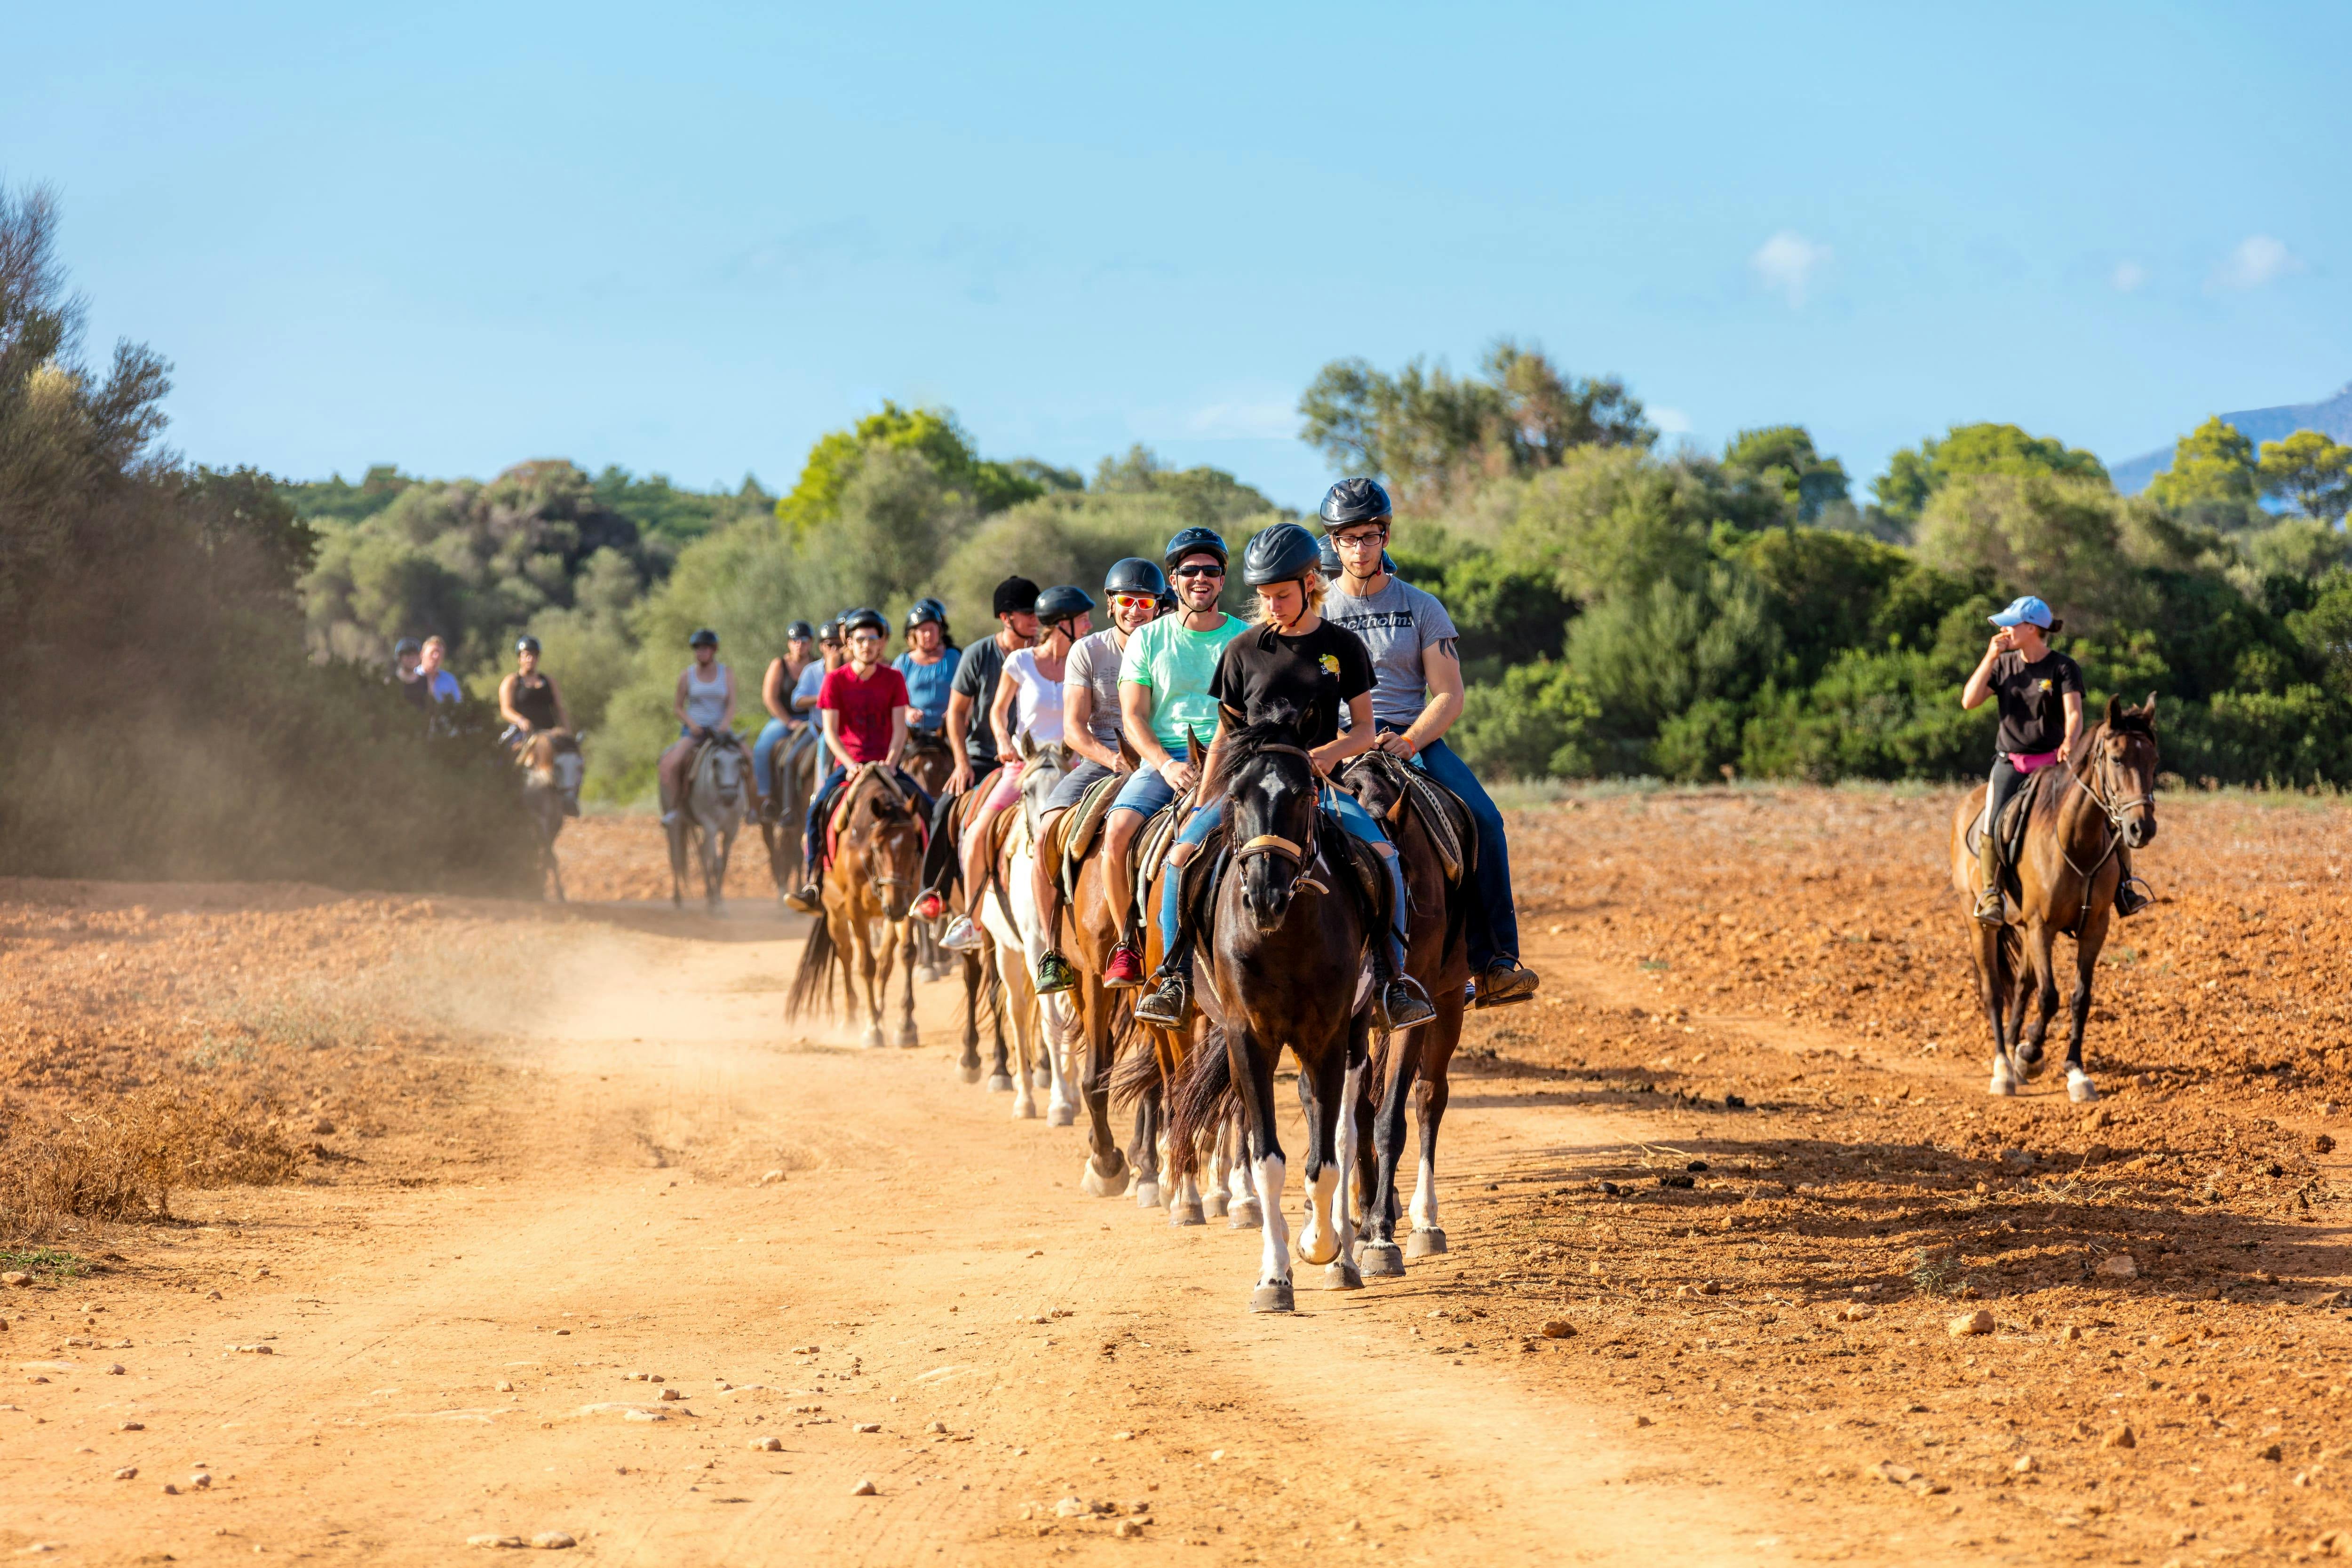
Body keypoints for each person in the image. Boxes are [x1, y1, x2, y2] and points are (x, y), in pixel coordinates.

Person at [1130, 522, 1435, 1034]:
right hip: (1245, 787)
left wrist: (1318, 759)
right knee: (1180, 855)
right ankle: (1173, 976)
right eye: (1264, 597)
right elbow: (1226, 736)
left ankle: (1391, 979)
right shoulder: (1242, 650)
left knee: (1384, 856)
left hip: (1319, 786)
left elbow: (1363, 729)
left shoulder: (1342, 647)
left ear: (1310, 583)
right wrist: (1205, 799)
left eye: (1281, 595)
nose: (1271, 605)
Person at [1317, 479, 1542, 1008]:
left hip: (1408, 742)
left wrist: (1413, 740)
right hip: (1336, 745)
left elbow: (1448, 694)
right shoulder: (1316, 611)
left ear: (1385, 535)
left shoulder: (1421, 607)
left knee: (1485, 819)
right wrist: (1333, 744)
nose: (1358, 548)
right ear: (1332, 543)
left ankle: (1493, 961)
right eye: (1346, 538)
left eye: (1369, 536)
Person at [1097, 527, 1249, 983]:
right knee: (1118, 831)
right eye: (1189, 571)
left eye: (1210, 571)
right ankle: (1129, 944)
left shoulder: (1247, 638)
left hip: (1234, 757)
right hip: (1166, 758)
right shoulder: (1148, 639)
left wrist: (1223, 759)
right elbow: (1134, 717)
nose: (1200, 578)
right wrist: (1165, 763)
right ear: (1173, 580)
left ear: (1223, 580)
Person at [1960, 595, 2149, 923]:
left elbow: (2074, 713)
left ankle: (2125, 888)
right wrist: (1991, 655)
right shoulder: (2002, 666)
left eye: (2010, 623)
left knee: (2107, 818)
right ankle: (1992, 895)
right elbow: (1969, 701)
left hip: (2055, 764)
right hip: (2011, 765)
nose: (2004, 629)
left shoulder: (2063, 667)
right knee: (1992, 822)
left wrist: (2069, 742)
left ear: (2031, 628)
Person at [1032, 559, 1166, 993]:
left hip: (1162, 756)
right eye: (1127, 601)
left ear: (1159, 606)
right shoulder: (1088, 651)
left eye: (1145, 602)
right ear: (1111, 605)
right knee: (1046, 830)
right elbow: (1073, 729)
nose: (1136, 610)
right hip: (1101, 758)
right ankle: (1053, 949)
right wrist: (1112, 761)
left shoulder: (1172, 644)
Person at [938, 585, 1093, 952]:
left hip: (1075, 765)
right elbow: (997, 710)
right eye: (1083, 619)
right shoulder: (1020, 662)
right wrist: (1004, 741)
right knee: (977, 832)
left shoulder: (1085, 659)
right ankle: (973, 922)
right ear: (1062, 624)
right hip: (1027, 765)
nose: (1089, 625)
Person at [783, 608, 933, 913]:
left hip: (886, 765)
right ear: (848, 644)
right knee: (816, 811)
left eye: (873, 639)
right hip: (850, 766)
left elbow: (899, 728)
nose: (867, 645)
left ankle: (931, 888)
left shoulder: (893, 679)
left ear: (881, 644)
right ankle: (814, 883)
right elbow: (831, 733)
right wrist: (850, 766)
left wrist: (891, 762)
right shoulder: (835, 681)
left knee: (931, 808)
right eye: (860, 639)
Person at [914, 578, 1039, 920]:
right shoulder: (979, 654)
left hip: (1038, 760)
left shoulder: (1045, 650)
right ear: (1005, 617)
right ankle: (933, 892)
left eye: (1037, 612)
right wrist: (961, 762)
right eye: (1027, 613)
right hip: (984, 757)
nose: (1035, 619)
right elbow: (955, 713)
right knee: (944, 809)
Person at [657, 629, 739, 827]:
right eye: (698, 649)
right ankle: (675, 808)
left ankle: (753, 807)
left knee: (749, 758)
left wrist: (724, 726)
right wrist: (692, 724)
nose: (700, 653)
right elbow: (678, 707)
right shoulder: (687, 675)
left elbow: (732, 704)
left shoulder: (726, 673)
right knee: (671, 764)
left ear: (714, 651)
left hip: (721, 731)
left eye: (705, 649)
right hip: (695, 731)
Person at [753, 621, 819, 812]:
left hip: (813, 719)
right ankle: (764, 797)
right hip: (785, 719)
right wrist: (788, 721)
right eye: (795, 640)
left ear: (811, 642)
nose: (800, 644)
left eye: (804, 640)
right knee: (762, 748)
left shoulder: (817, 664)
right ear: (789, 643)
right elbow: (769, 698)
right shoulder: (779, 665)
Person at [895, 601, 961, 736]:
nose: (928, 635)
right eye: (923, 631)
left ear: (940, 631)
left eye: (932, 629)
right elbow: (892, 695)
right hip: (913, 733)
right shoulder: (903, 662)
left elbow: (968, 690)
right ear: (914, 635)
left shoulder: (954, 657)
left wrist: (957, 711)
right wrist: (908, 711)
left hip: (949, 731)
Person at [497, 636, 573, 749]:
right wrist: (521, 720)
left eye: (534, 655)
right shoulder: (512, 681)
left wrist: (568, 732)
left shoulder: (549, 681)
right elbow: (506, 710)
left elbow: (559, 708)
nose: (530, 659)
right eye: (526, 655)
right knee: (513, 755)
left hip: (549, 733)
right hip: (523, 733)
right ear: (519, 658)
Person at [416, 636, 463, 703]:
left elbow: (459, 705)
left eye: (440, 654)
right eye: (433, 653)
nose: (436, 657)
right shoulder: (412, 677)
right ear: (422, 654)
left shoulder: (449, 680)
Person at [392, 638, 432, 713]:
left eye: (415, 655)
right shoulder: (391, 682)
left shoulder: (425, 682)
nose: (412, 658)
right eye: (408, 655)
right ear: (399, 657)